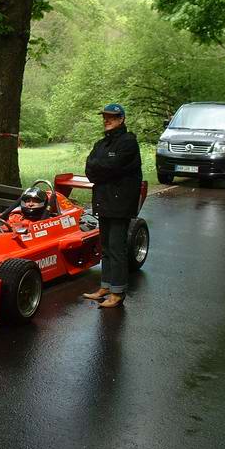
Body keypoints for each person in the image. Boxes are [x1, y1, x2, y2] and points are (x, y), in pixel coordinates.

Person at [83, 103, 142, 308]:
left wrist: (101, 168)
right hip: (104, 201)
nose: (107, 120)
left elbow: (112, 167)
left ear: (121, 119)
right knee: (106, 247)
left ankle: (118, 293)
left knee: (117, 248)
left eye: (112, 117)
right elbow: (90, 169)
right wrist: (101, 168)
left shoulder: (128, 143)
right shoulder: (101, 144)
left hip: (120, 203)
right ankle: (106, 286)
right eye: (105, 117)